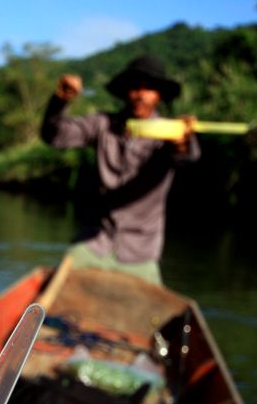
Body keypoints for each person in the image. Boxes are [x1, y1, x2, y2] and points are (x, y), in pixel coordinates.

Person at [41, 55, 200, 286]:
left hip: (140, 253)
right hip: (95, 243)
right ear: (125, 91)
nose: (140, 94)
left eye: (149, 88)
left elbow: (187, 156)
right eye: (135, 87)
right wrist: (59, 102)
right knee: (54, 295)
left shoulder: (170, 133)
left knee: (156, 318)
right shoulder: (102, 125)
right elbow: (54, 136)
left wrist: (183, 142)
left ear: (159, 95)